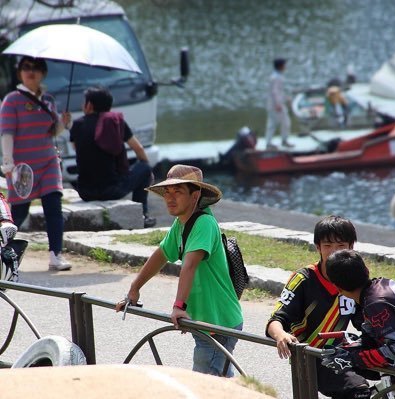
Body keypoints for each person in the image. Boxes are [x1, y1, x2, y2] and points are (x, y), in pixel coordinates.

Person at [115, 164, 243, 377]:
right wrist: (134, 289)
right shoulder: (181, 224)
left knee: (206, 385)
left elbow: (190, 265)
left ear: (195, 195)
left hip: (218, 322)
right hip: (203, 320)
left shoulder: (205, 223)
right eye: (167, 192)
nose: (170, 198)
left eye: (179, 192)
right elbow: (161, 255)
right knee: (218, 381)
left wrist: (178, 306)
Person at [266, 215, 371, 399]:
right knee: (358, 390)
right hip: (310, 357)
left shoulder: (356, 277)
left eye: (341, 246)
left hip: (345, 352)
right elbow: (276, 320)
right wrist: (281, 335)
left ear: (351, 247)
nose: (334, 253)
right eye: (327, 246)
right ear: (317, 248)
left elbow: (366, 319)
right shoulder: (303, 279)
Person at [0, 56, 72, 271]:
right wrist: (8, 163)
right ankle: (3, 248)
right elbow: (7, 133)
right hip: (23, 167)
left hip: (48, 161)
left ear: (43, 73)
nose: (30, 71)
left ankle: (55, 255)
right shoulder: (11, 100)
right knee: (18, 213)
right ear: (20, 72)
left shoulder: (48, 99)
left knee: (54, 206)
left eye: (36, 68)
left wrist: (63, 123)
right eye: (26, 68)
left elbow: (53, 131)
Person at [69, 86, 156, 228]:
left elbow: (76, 147)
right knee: (144, 167)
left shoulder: (77, 124)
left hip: (85, 192)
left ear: (89, 105)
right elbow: (138, 148)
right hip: (112, 191)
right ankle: (143, 215)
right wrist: (147, 173)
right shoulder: (116, 122)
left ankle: (143, 215)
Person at [323, 249, 395, 373]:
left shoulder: (375, 304)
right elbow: (373, 337)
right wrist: (352, 348)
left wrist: (354, 359)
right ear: (367, 270)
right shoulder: (381, 286)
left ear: (337, 288)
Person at [265, 58, 293, 149]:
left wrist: (285, 98)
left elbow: (278, 91)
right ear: (281, 66)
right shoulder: (277, 78)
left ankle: (269, 142)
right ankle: (284, 140)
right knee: (285, 122)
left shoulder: (274, 76)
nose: (285, 67)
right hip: (276, 105)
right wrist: (278, 104)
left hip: (272, 104)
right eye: (284, 65)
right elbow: (275, 92)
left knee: (272, 124)